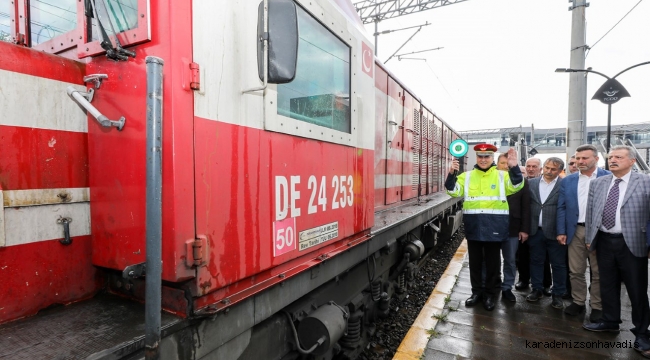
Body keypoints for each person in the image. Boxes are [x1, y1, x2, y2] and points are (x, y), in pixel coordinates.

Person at [582, 146, 650, 354]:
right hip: (604, 241)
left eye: (618, 157)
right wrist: (589, 239)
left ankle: (642, 332)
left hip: (632, 242)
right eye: (610, 157)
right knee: (607, 284)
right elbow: (591, 212)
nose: (612, 160)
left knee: (636, 289)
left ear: (632, 161)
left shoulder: (645, 182)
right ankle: (609, 320)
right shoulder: (598, 183)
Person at [446, 144, 524, 311]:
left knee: (492, 263)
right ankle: (476, 293)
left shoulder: (503, 176)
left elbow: (517, 185)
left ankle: (490, 294)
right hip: (474, 224)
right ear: (476, 158)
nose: (483, 159)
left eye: (487, 156)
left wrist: (514, 166)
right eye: (480, 157)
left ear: (492, 158)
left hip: (495, 225)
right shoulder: (466, 176)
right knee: (474, 262)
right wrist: (451, 173)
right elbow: (453, 191)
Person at [557, 144, 609, 322]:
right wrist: (561, 231)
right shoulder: (568, 181)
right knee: (575, 270)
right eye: (578, 158)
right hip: (575, 230)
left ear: (596, 159)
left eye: (584, 158)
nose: (580, 161)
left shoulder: (608, 178)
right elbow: (562, 207)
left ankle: (597, 306)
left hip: (600, 231)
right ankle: (578, 301)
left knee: (598, 271)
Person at [526, 157, 566, 310]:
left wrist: (563, 231)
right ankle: (537, 289)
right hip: (535, 231)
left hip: (556, 232)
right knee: (536, 262)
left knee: (558, 265)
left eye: (553, 169)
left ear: (560, 171)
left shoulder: (564, 184)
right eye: (547, 167)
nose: (549, 171)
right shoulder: (532, 183)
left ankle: (558, 294)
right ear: (543, 167)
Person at [516, 158, 553, 296]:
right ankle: (523, 279)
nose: (531, 169)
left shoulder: (548, 184)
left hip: (542, 227)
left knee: (543, 258)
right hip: (525, 225)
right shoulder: (522, 183)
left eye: (534, 166)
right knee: (522, 255)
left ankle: (546, 284)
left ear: (540, 169)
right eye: (528, 166)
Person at [496, 153, 530, 302]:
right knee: (491, 259)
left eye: (508, 163)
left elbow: (526, 207)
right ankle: (493, 284)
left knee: (510, 260)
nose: (505, 166)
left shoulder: (520, 181)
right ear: (497, 164)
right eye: (502, 163)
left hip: (513, 227)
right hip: (493, 226)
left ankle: (507, 287)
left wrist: (524, 229)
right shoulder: (490, 180)